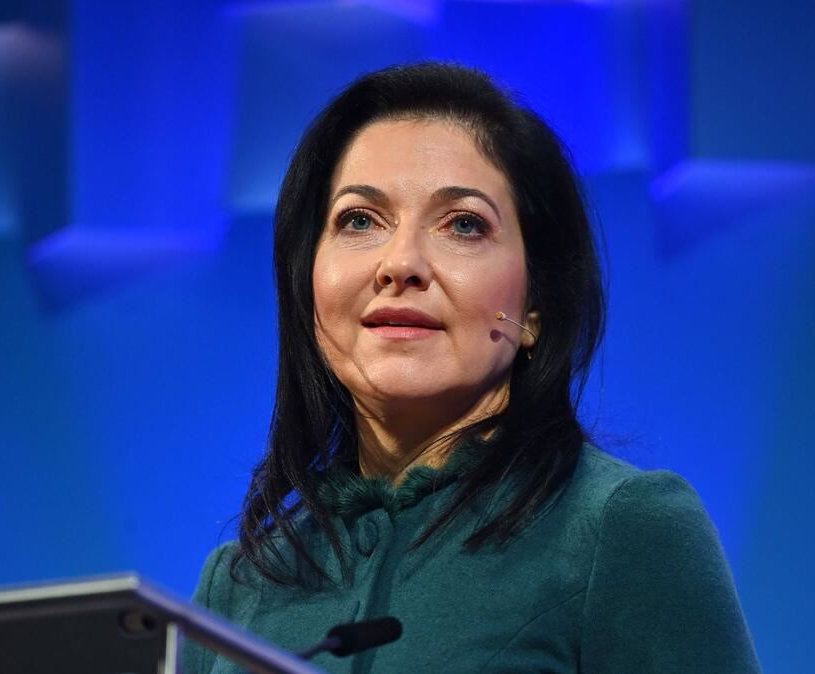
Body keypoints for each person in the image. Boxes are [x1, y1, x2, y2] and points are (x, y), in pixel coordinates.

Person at [184, 62, 760, 673]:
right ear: (307, 283)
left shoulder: (624, 531)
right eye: (360, 220)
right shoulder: (241, 581)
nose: (399, 264)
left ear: (534, 304)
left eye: (463, 225)